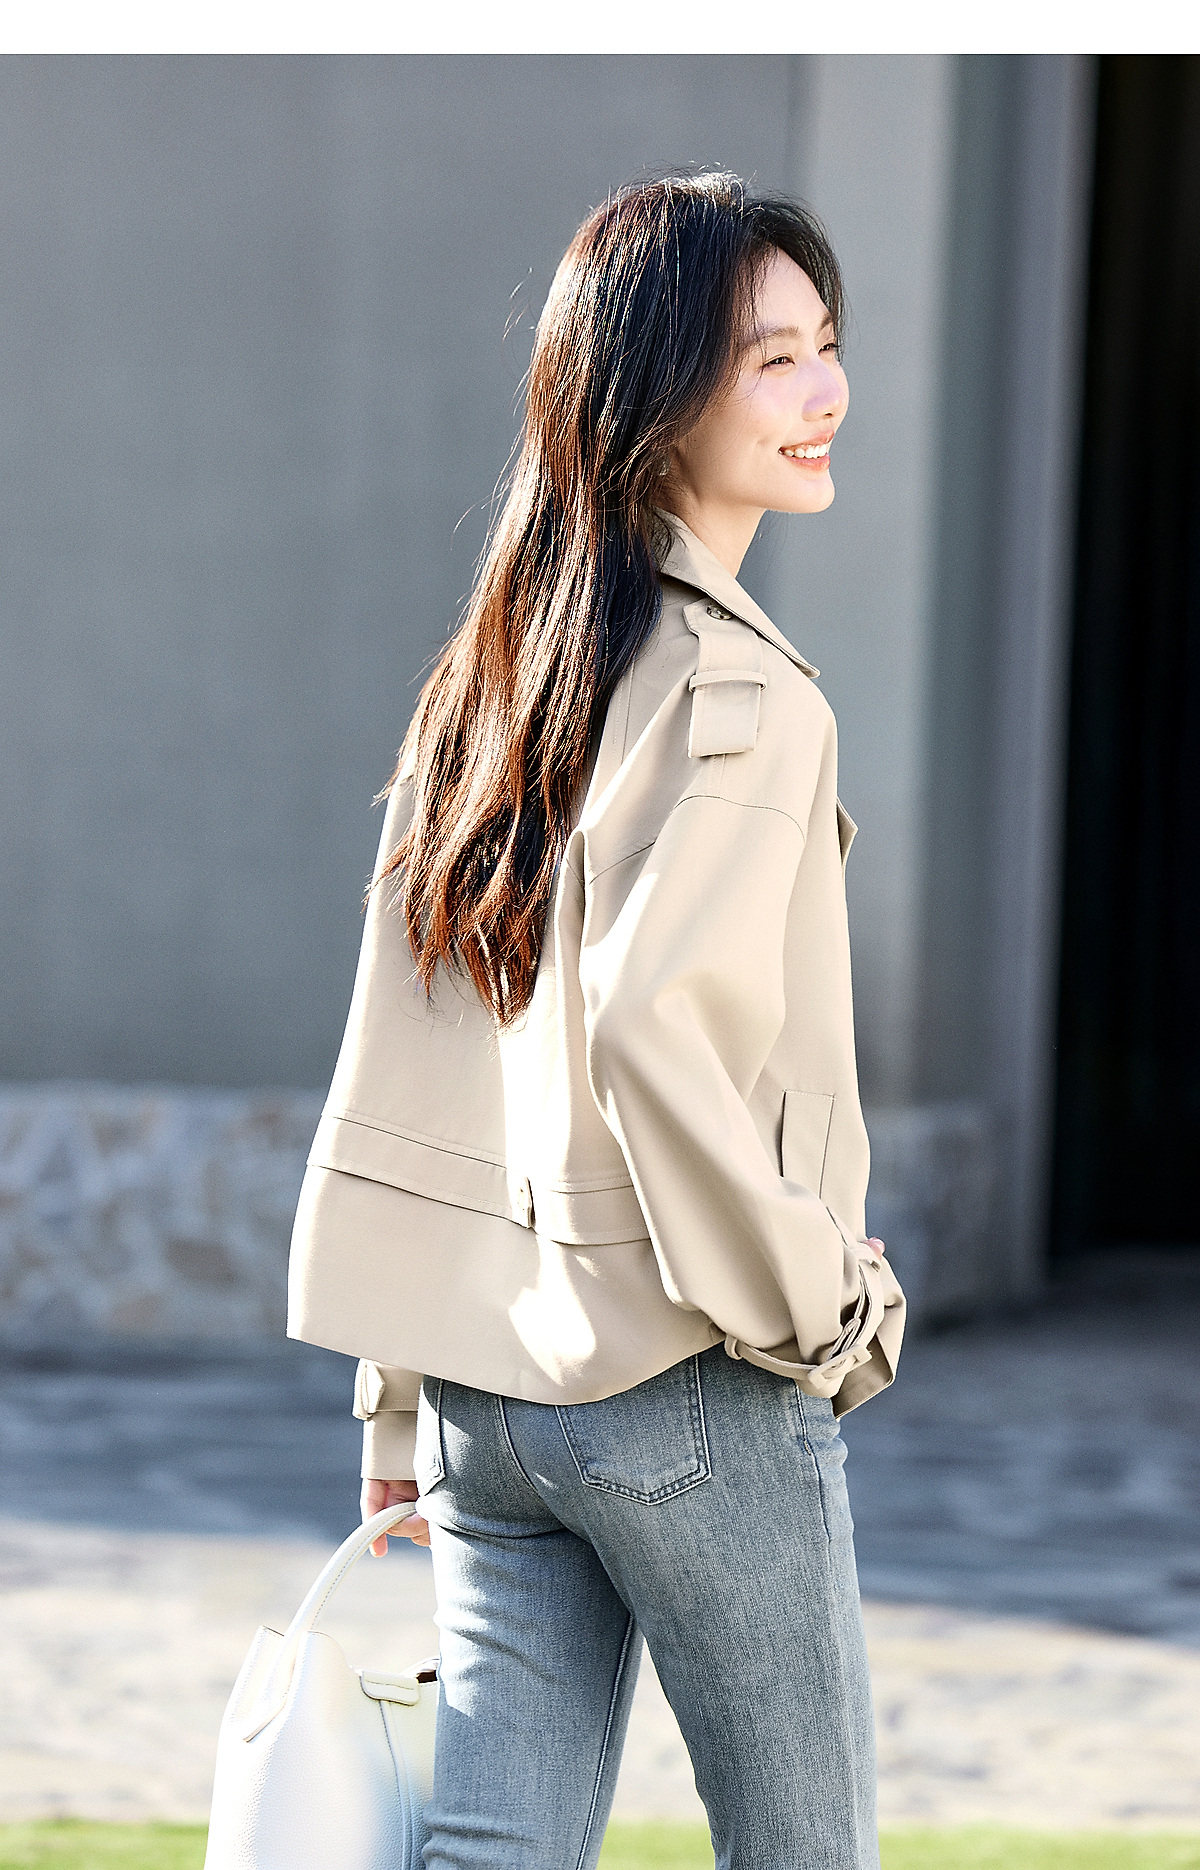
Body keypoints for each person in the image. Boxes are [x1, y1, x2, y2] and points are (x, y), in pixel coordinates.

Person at [286, 169, 907, 1870]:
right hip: (690, 1370)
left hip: (486, 1389)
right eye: (772, 359)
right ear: (656, 397)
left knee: (493, 1852)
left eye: (826, 345)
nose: (827, 389)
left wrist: (395, 1395)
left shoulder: (495, 676)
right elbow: (649, 1023)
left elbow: (414, 1037)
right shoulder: (743, 691)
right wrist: (828, 1302)